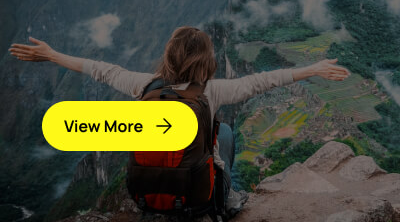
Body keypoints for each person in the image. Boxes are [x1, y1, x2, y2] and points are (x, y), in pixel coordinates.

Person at [9, 26, 350, 217]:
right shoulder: (212, 92)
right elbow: (263, 81)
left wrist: (52, 55)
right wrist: (313, 69)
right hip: (198, 200)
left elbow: (101, 70)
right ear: (207, 62)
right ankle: (228, 201)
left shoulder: (144, 86)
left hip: (146, 194)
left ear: (168, 57)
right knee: (224, 132)